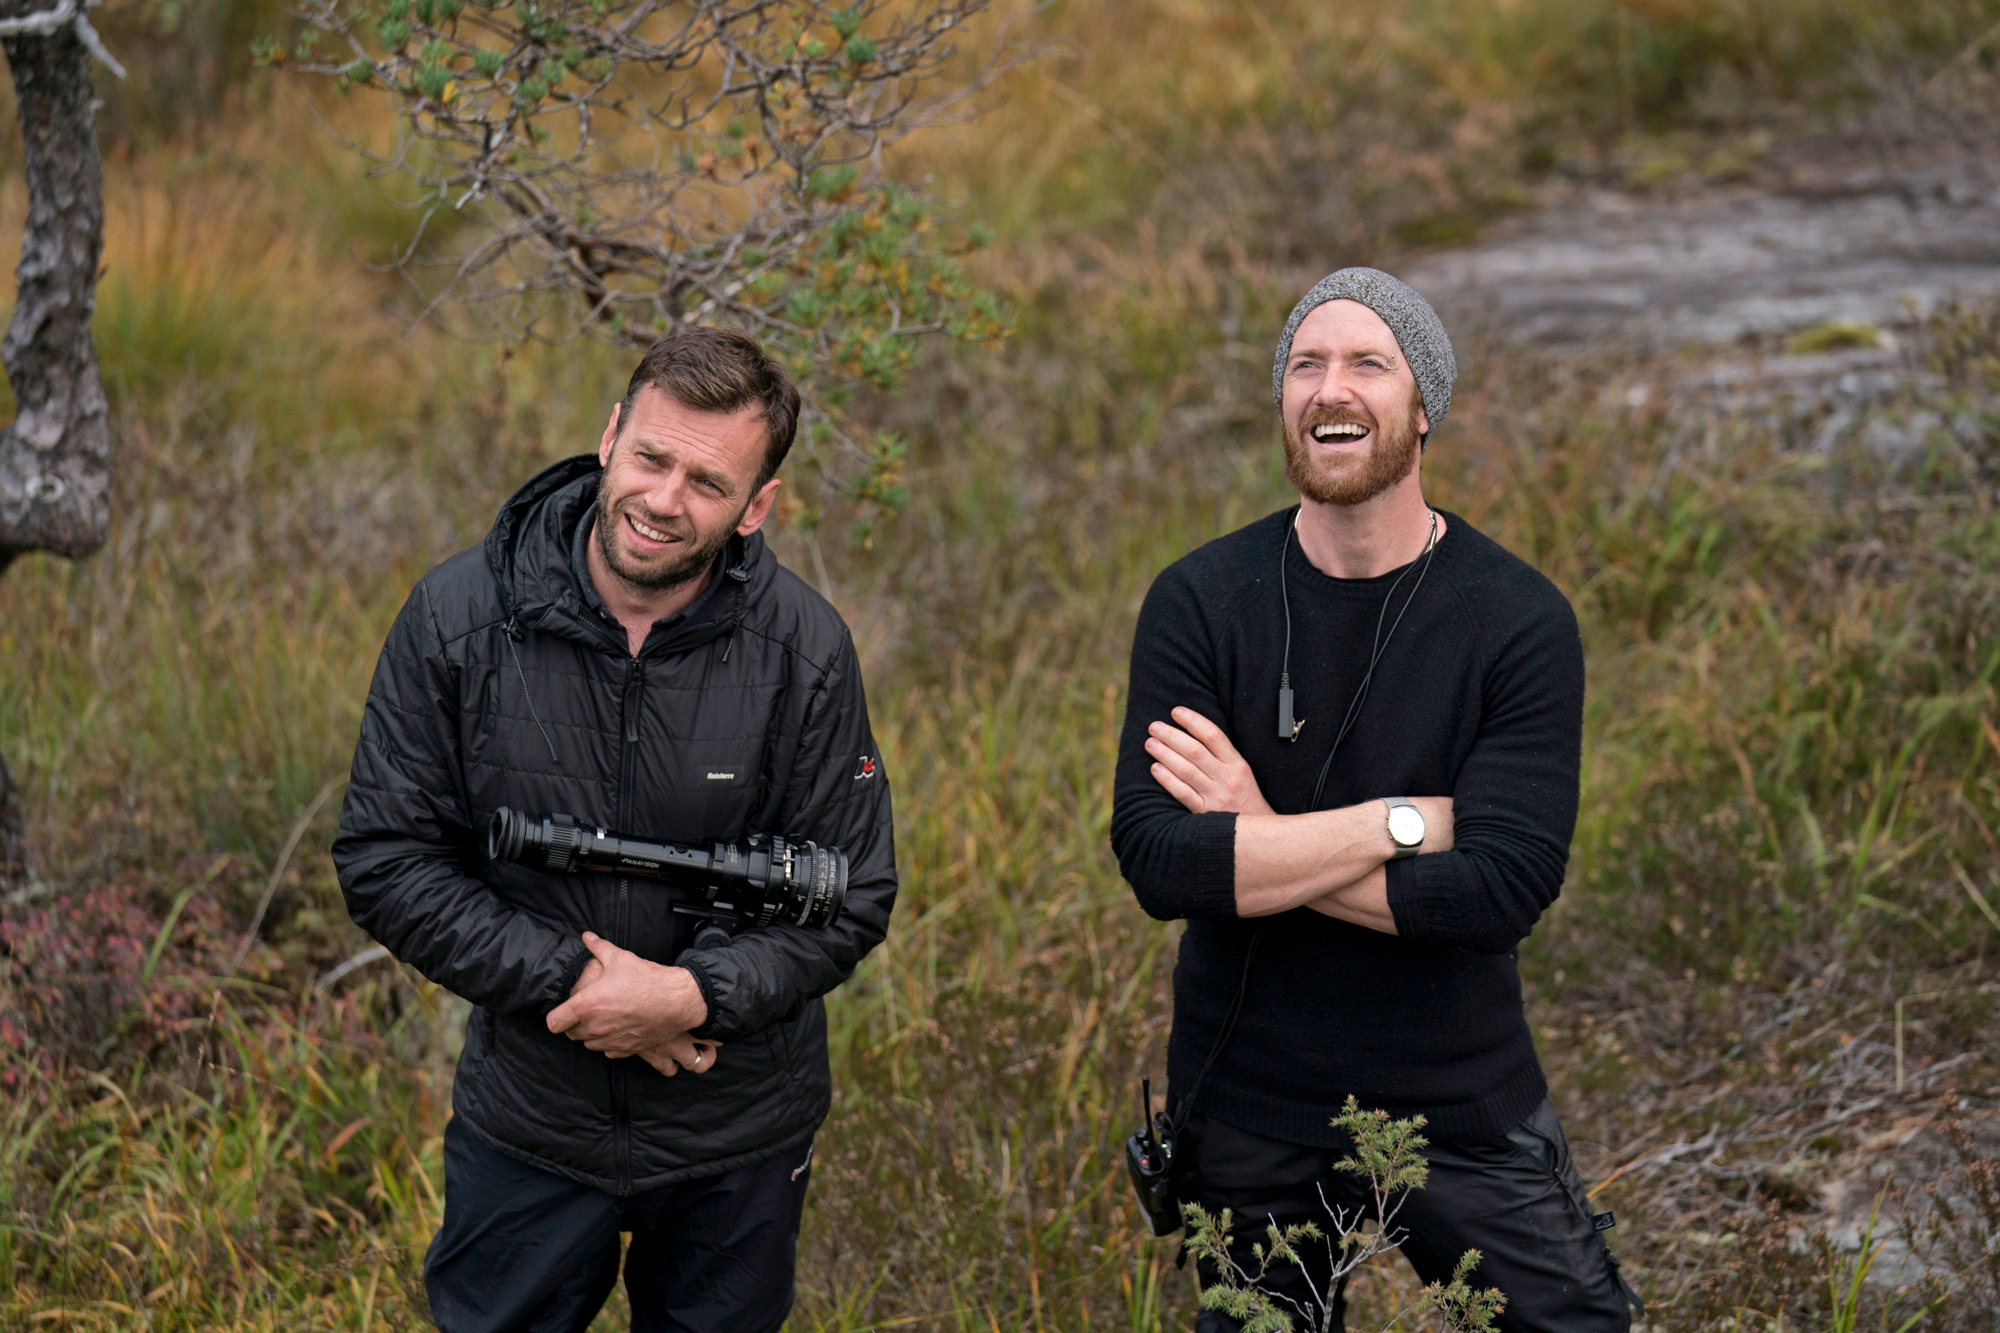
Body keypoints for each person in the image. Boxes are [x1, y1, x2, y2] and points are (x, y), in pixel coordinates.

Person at [332, 326, 896, 1333]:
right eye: (651, 457)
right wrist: (576, 983)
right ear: (609, 436)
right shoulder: (458, 616)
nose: (664, 499)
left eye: (708, 482)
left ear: (758, 505)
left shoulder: (803, 648)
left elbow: (851, 894)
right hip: (531, 1122)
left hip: (737, 1133)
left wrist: (691, 995)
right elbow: (385, 857)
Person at [1110, 269, 1641, 1332]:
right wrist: (1401, 821)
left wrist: (1254, 844)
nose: (1329, 387)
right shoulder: (1201, 600)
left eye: (1366, 362)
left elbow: (1497, 889)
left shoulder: (1515, 620)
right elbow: (1161, 862)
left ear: (1421, 405)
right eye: (1304, 364)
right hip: (1245, 1094)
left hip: (1454, 1087)